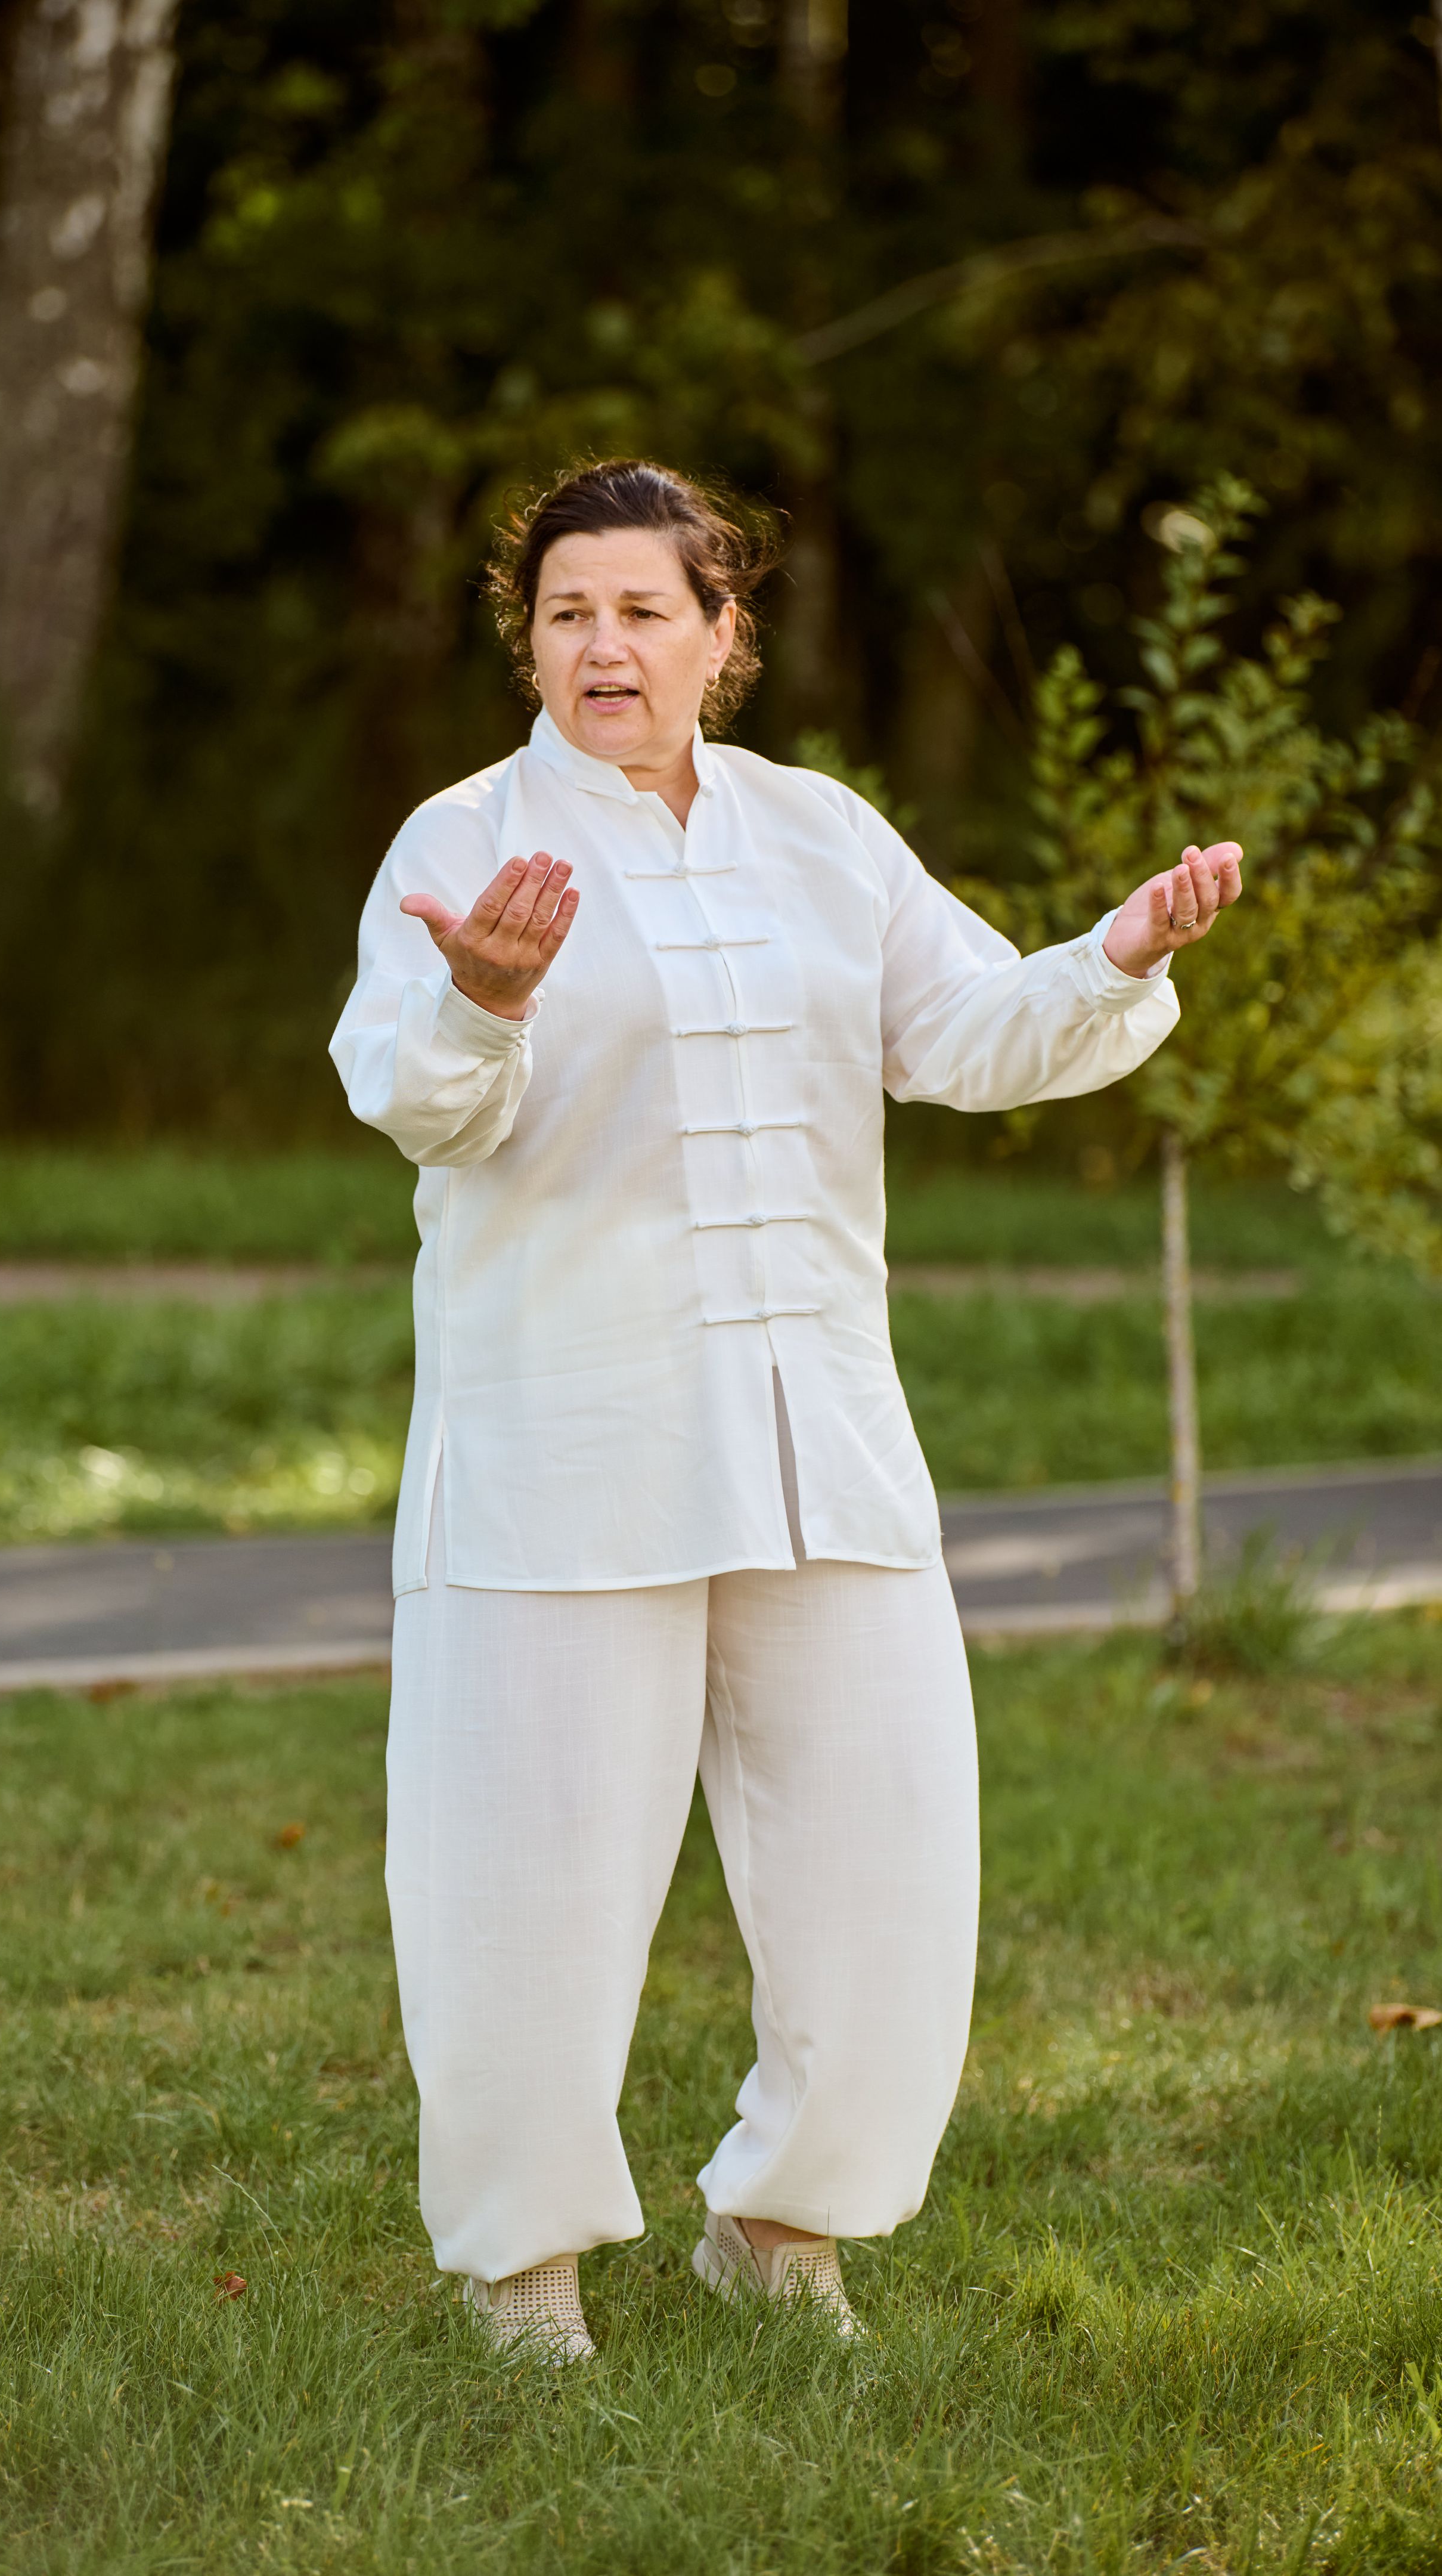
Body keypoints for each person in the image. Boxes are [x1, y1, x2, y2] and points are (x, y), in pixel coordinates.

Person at [330, 457, 1241, 2364]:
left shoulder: (824, 835)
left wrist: (1121, 956)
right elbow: (417, 1102)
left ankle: (784, 2226)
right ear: (529, 638)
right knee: (527, 1873)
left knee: (890, 1853)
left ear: (723, 635)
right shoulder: (461, 837)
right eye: (569, 611)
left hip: (819, 1430)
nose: (606, 645)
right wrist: (484, 1003)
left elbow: (969, 1033)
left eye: (647, 610)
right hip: (564, 1452)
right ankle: (525, 2274)